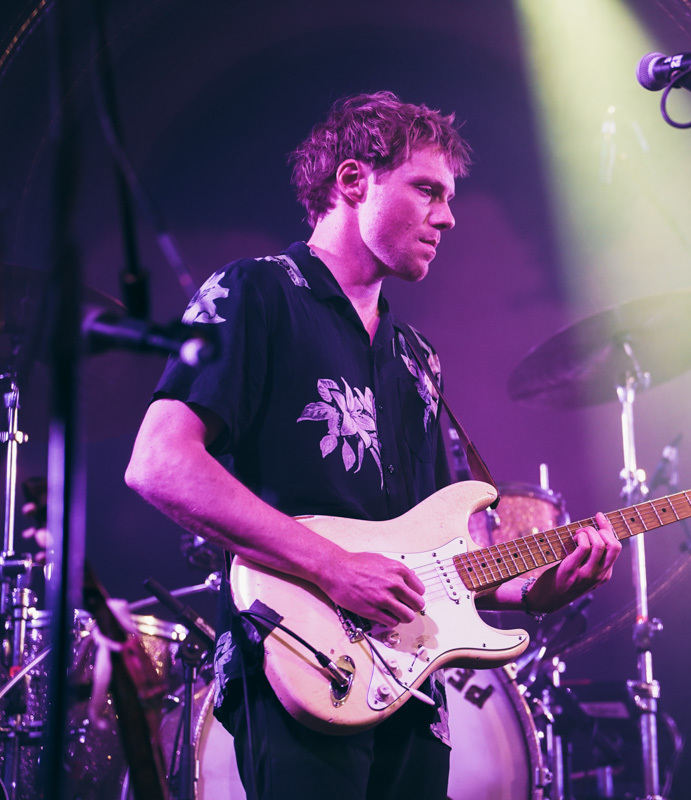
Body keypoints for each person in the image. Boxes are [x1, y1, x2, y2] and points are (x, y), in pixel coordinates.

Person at [125, 91, 621, 799]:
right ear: (354, 181)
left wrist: (539, 591)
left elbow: (438, 560)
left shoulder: (418, 358)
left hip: (412, 688)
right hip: (300, 664)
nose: (447, 217)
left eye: (448, 198)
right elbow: (160, 463)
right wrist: (333, 567)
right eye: (427, 190)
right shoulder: (257, 292)